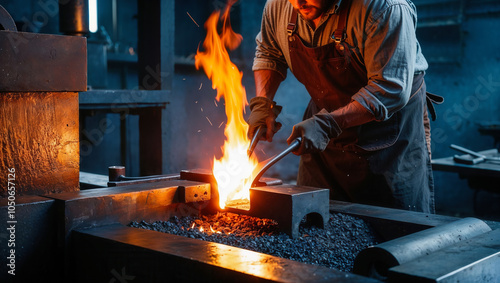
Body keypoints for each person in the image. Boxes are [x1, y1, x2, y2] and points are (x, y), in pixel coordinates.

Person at [248, 0, 439, 213]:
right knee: (311, 218)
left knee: (394, 228)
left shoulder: (385, 7)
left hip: (388, 134)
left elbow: (388, 88)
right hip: (322, 131)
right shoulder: (280, 5)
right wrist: (263, 103)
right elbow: (269, 52)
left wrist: (328, 124)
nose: (299, 2)